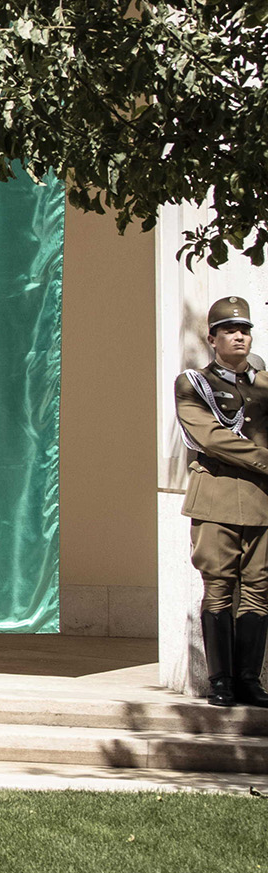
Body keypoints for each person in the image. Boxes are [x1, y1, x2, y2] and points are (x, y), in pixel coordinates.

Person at [177, 295, 268, 708]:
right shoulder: (194, 384)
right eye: (229, 330)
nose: (239, 336)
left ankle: (249, 681)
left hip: (261, 502)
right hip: (216, 497)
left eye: (244, 330)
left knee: (258, 591)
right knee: (218, 588)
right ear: (212, 339)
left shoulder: (263, 383)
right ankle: (221, 681)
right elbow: (212, 439)